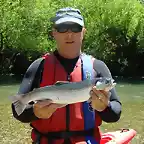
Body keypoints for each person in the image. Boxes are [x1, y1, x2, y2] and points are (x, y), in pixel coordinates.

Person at [11, 7, 122, 144]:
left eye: (75, 28)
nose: (69, 34)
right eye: (63, 28)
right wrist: (35, 112)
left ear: (83, 32)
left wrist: (104, 107)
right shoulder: (38, 66)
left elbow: (115, 114)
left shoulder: (98, 67)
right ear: (54, 33)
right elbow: (18, 110)